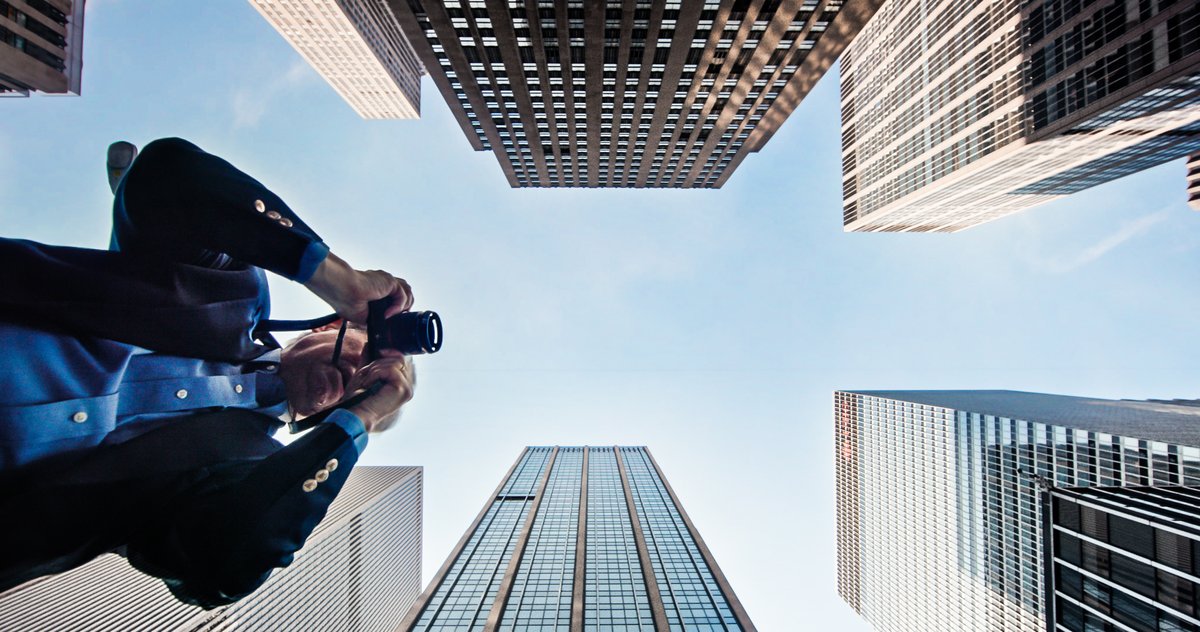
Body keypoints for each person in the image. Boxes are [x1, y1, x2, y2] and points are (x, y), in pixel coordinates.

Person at [0, 138, 416, 608]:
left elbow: (219, 566)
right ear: (328, 326)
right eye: (367, 354)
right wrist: (342, 281)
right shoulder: (233, 294)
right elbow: (166, 176)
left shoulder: (239, 469)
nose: (358, 377)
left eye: (369, 388)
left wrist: (360, 420)